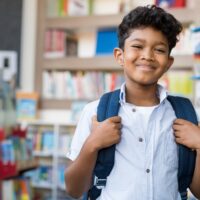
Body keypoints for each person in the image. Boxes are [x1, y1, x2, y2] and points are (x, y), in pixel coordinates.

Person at [65, 5, 200, 200]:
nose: (147, 55)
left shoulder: (184, 114)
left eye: (159, 49)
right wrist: (92, 144)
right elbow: (74, 189)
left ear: (168, 63)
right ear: (120, 56)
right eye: (137, 46)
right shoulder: (95, 112)